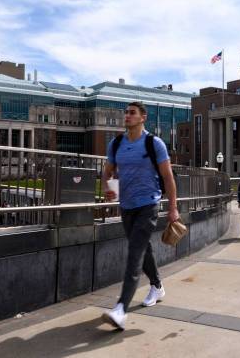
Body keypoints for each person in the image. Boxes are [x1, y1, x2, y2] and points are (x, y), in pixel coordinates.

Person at [102, 101, 178, 330]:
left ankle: (121, 309)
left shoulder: (153, 143)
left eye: (132, 113)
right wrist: (110, 190)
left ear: (143, 117)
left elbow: (168, 178)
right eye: (125, 112)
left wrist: (173, 208)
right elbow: (108, 171)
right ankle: (157, 286)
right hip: (126, 206)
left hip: (148, 205)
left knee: (134, 254)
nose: (127, 116)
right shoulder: (116, 144)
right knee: (144, 250)